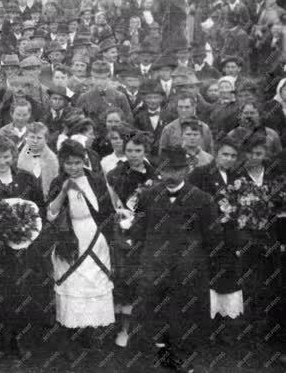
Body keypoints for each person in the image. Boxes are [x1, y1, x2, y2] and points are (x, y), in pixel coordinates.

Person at [132, 147, 220, 372]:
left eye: (176, 170)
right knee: (155, 310)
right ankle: (161, 352)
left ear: (186, 170)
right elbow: (139, 230)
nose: (170, 175)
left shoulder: (202, 199)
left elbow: (212, 238)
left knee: (184, 313)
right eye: (165, 170)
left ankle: (183, 357)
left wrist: (195, 262)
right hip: (155, 267)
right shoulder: (148, 195)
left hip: (187, 270)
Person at [0, 135, 46, 360]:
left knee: (23, 295)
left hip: (25, 248)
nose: (1, 161)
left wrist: (29, 236)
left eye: (6, 156)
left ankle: (22, 342)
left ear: (13, 156)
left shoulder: (26, 179)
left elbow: (38, 211)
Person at [46, 140, 115, 358]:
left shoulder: (95, 179)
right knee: (72, 285)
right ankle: (69, 334)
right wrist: (65, 189)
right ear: (62, 163)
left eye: (77, 163)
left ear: (83, 161)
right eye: (68, 164)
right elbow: (51, 214)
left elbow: (106, 208)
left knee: (93, 283)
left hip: (95, 236)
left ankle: (91, 332)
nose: (73, 168)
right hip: (69, 238)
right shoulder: (59, 181)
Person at [187, 139, 245, 345]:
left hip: (229, 238)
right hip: (205, 238)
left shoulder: (238, 177)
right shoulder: (199, 174)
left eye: (233, 156)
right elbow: (190, 203)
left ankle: (224, 327)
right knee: (205, 281)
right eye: (224, 154)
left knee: (227, 280)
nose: (228, 159)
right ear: (216, 154)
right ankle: (203, 328)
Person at [105, 132, 156, 348]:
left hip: (149, 233)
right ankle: (122, 328)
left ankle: (147, 329)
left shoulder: (155, 174)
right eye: (129, 151)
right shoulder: (116, 174)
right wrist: (120, 213)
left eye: (138, 151)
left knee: (147, 281)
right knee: (124, 279)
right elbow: (111, 204)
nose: (133, 155)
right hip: (123, 236)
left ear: (145, 152)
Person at [17, 121, 59, 200]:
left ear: (46, 139)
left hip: (45, 201)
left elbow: (55, 186)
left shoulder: (52, 159)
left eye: (39, 138)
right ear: (26, 138)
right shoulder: (22, 156)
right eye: (32, 137)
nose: (35, 141)